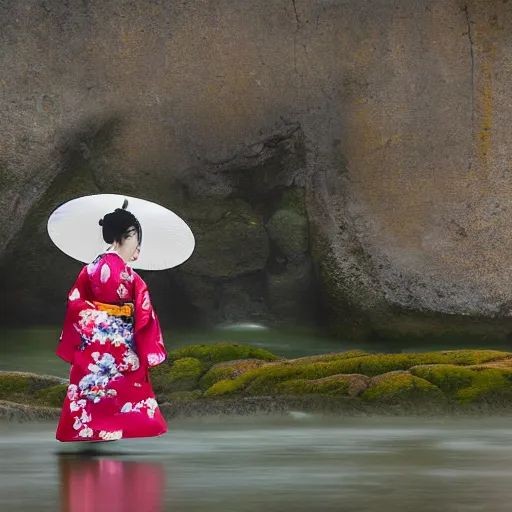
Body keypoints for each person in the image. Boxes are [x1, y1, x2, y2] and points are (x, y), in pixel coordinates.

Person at [55, 202, 167, 442]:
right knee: (130, 386)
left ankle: (89, 432)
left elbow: (75, 301)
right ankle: (124, 431)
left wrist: (95, 323)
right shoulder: (129, 275)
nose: (137, 244)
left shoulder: (90, 268)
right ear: (129, 235)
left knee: (90, 389)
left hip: (94, 341)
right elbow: (144, 309)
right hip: (122, 341)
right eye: (136, 237)